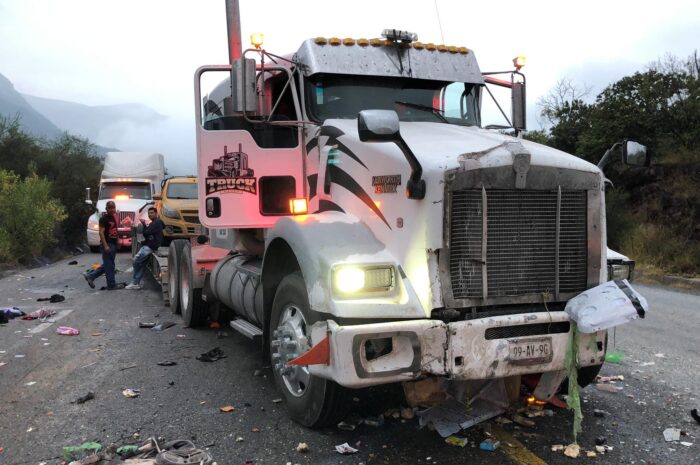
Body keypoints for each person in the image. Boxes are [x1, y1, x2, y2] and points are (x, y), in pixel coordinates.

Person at [84, 201, 122, 290]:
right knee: (110, 265)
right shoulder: (103, 219)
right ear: (106, 209)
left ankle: (91, 276)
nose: (112, 209)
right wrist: (105, 245)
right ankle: (111, 285)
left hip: (113, 244)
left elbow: (116, 230)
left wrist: (118, 241)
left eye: (113, 207)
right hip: (107, 244)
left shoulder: (113, 217)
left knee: (109, 264)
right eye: (110, 208)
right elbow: (101, 232)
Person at [125, 206, 164, 290]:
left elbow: (146, 233)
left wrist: (143, 225)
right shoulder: (155, 222)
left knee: (136, 260)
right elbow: (151, 231)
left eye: (152, 213)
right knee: (142, 264)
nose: (150, 215)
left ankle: (135, 282)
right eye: (149, 213)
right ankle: (136, 282)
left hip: (150, 246)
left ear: (156, 213)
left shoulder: (156, 222)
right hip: (150, 245)